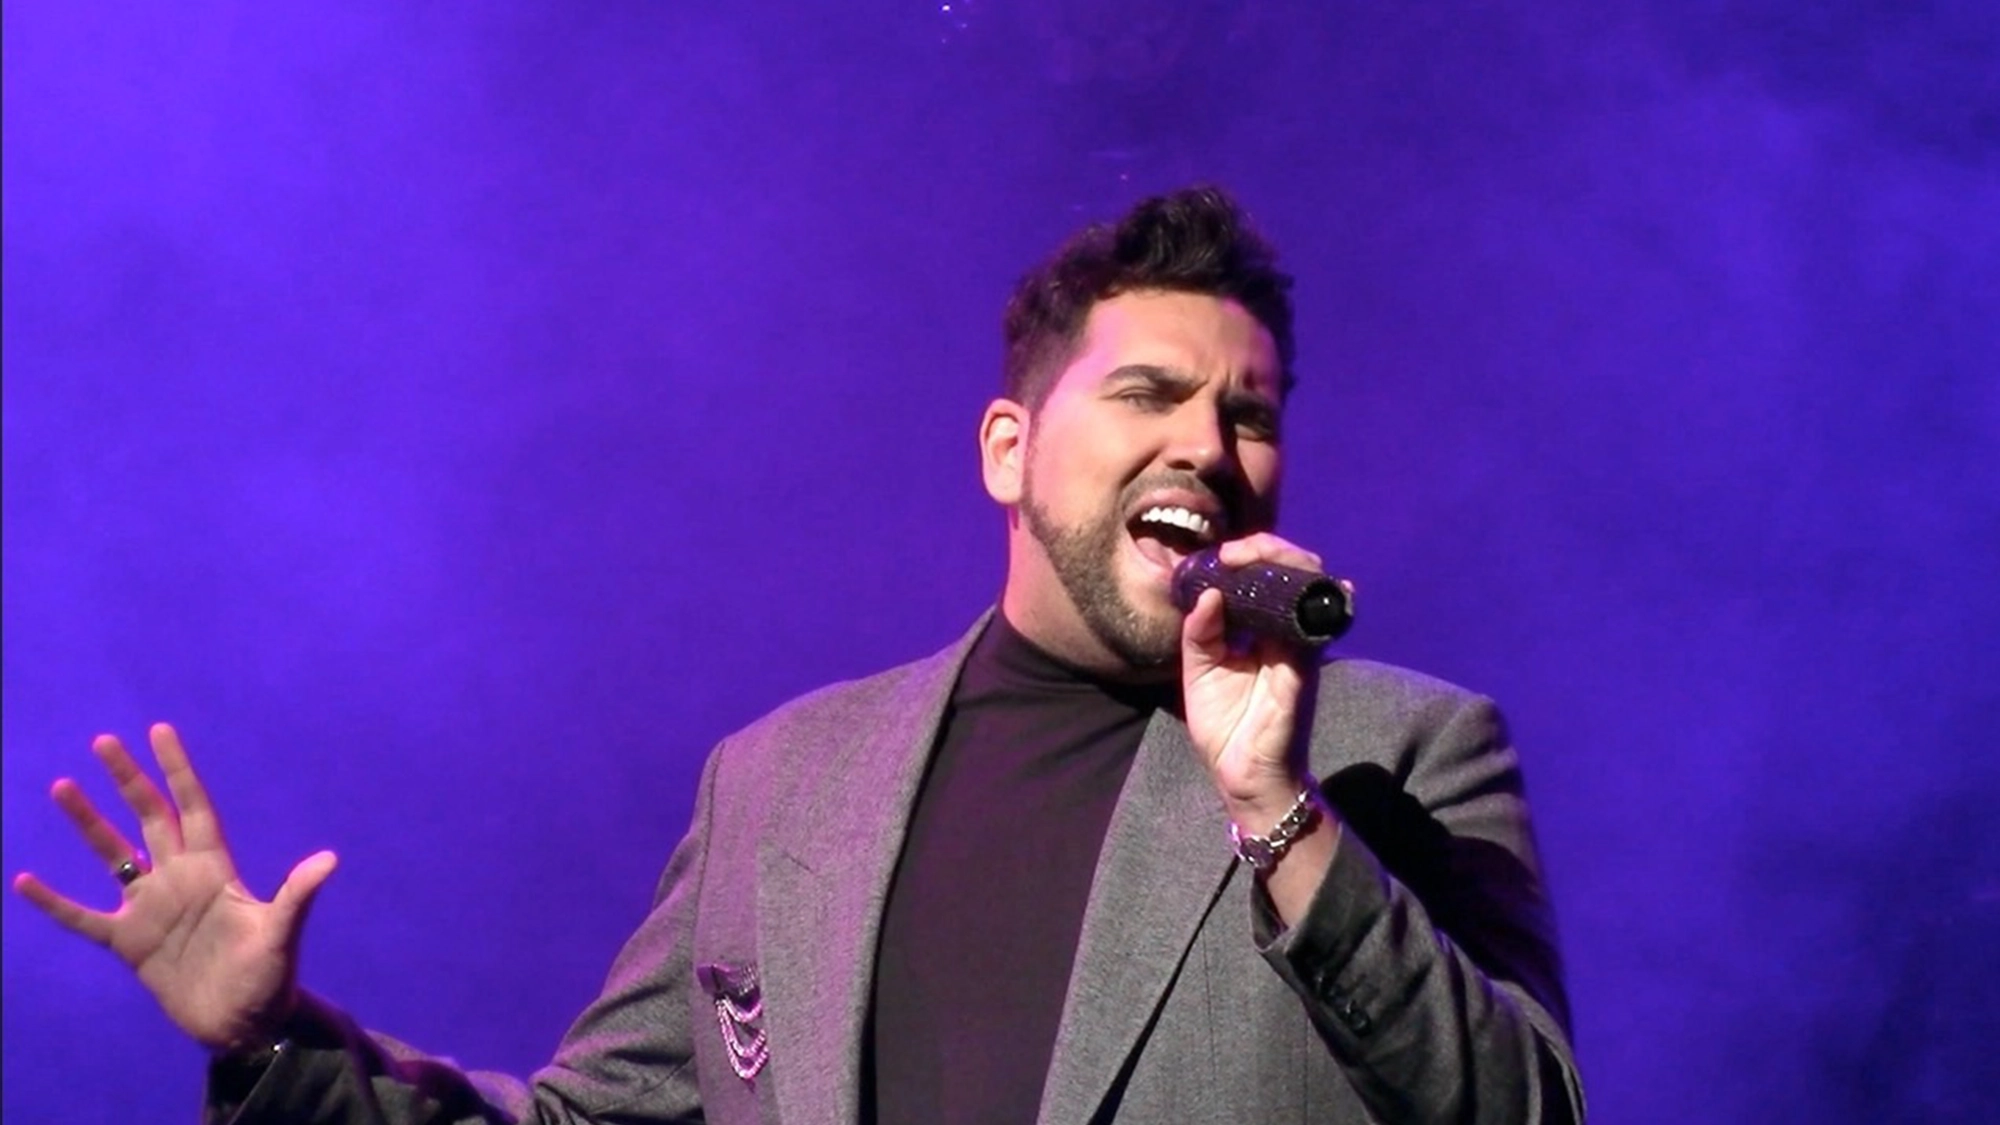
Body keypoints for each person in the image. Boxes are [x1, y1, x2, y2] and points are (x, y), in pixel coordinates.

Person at [14, 186, 1585, 1123]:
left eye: (1249, 411)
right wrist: (274, 1040)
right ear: (1005, 449)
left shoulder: (1397, 754)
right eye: (1151, 395)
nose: (1209, 444)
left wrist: (1279, 812)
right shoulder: (784, 784)